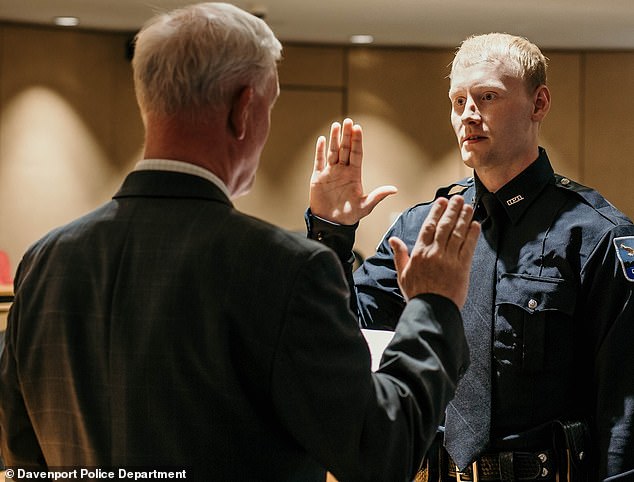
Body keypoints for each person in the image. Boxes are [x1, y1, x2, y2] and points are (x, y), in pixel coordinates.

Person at [0, 3, 481, 481]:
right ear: (243, 109)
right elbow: (380, 448)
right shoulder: (282, 268)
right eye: (269, 106)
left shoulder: (45, 260)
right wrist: (434, 305)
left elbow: (21, 452)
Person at [306, 34, 634, 480]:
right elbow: (340, 337)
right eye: (458, 101)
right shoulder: (421, 228)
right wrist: (333, 233)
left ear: (539, 104)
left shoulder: (596, 235)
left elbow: (624, 408)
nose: (468, 115)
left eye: (487, 97)